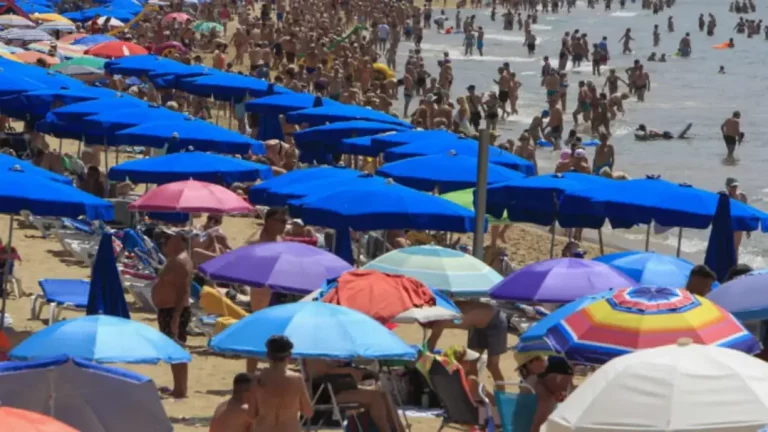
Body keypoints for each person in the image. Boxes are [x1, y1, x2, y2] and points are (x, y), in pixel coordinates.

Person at [427, 300, 507, 392]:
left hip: (494, 320)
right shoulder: (441, 318)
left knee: (492, 365)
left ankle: (502, 395)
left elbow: (431, 344)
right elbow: (431, 345)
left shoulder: (442, 319)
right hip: (476, 325)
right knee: (471, 365)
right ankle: (473, 393)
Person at [152, 231, 193, 398]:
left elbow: (183, 292)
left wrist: (176, 317)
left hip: (174, 311)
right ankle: (179, 387)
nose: (166, 241)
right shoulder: (176, 259)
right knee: (175, 349)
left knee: (176, 349)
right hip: (169, 310)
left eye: (170, 238)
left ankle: (180, 390)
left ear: (181, 241)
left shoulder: (180, 261)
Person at [250, 336, 313, 432]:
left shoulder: (257, 379)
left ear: (268, 355)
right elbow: (308, 412)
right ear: (290, 356)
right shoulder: (296, 379)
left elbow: (251, 414)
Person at [531, 357, 574, 431]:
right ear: (559, 377)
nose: (569, 384)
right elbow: (538, 426)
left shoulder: (541, 385)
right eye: (569, 379)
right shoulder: (543, 396)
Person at [726, 177, 750, 256]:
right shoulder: (724, 197)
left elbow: (746, 212)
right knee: (726, 247)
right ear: (727, 187)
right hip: (728, 223)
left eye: (735, 187)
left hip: (739, 224)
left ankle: (734, 266)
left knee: (735, 248)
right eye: (732, 187)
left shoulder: (742, 196)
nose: (734, 189)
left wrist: (748, 229)